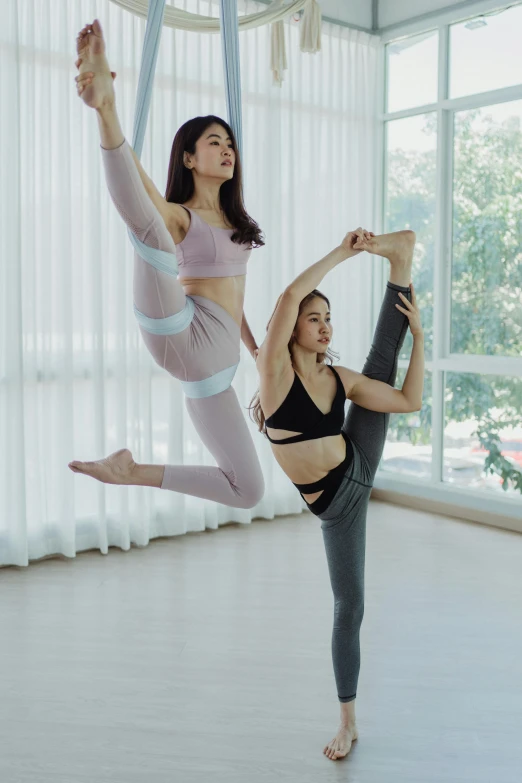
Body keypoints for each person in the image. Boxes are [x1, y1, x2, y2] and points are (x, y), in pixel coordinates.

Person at [68, 20, 264, 509]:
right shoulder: (180, 219)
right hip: (180, 331)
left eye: (230, 143)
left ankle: (129, 470)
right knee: (147, 229)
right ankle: (105, 107)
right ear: (190, 158)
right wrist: (107, 115)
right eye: (215, 142)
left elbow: (235, 301)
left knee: (249, 489)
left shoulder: (238, 221)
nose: (227, 149)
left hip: (215, 370)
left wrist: (259, 357)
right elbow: (143, 198)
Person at [251, 227, 424, 760]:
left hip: (358, 460)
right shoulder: (274, 375)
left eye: (328, 318)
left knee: (380, 359)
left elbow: (409, 401)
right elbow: (285, 297)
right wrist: (343, 253)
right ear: (293, 328)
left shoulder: (337, 377)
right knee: (349, 607)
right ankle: (347, 722)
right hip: (337, 509)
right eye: (314, 318)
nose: (325, 327)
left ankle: (401, 260)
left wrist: (422, 340)